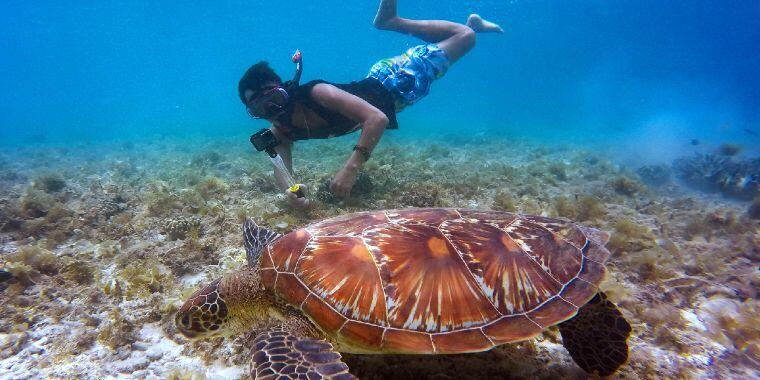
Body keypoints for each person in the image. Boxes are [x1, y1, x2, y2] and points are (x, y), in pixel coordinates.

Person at [239, 0, 503, 208]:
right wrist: (291, 192)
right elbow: (282, 170)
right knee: (455, 41)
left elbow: (377, 119)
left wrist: (350, 169)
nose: (273, 111)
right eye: (260, 110)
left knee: (465, 38)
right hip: (386, 85)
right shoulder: (281, 130)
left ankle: (392, 21)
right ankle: (473, 24)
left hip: (396, 81)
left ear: (285, 88)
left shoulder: (318, 93)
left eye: (274, 100)